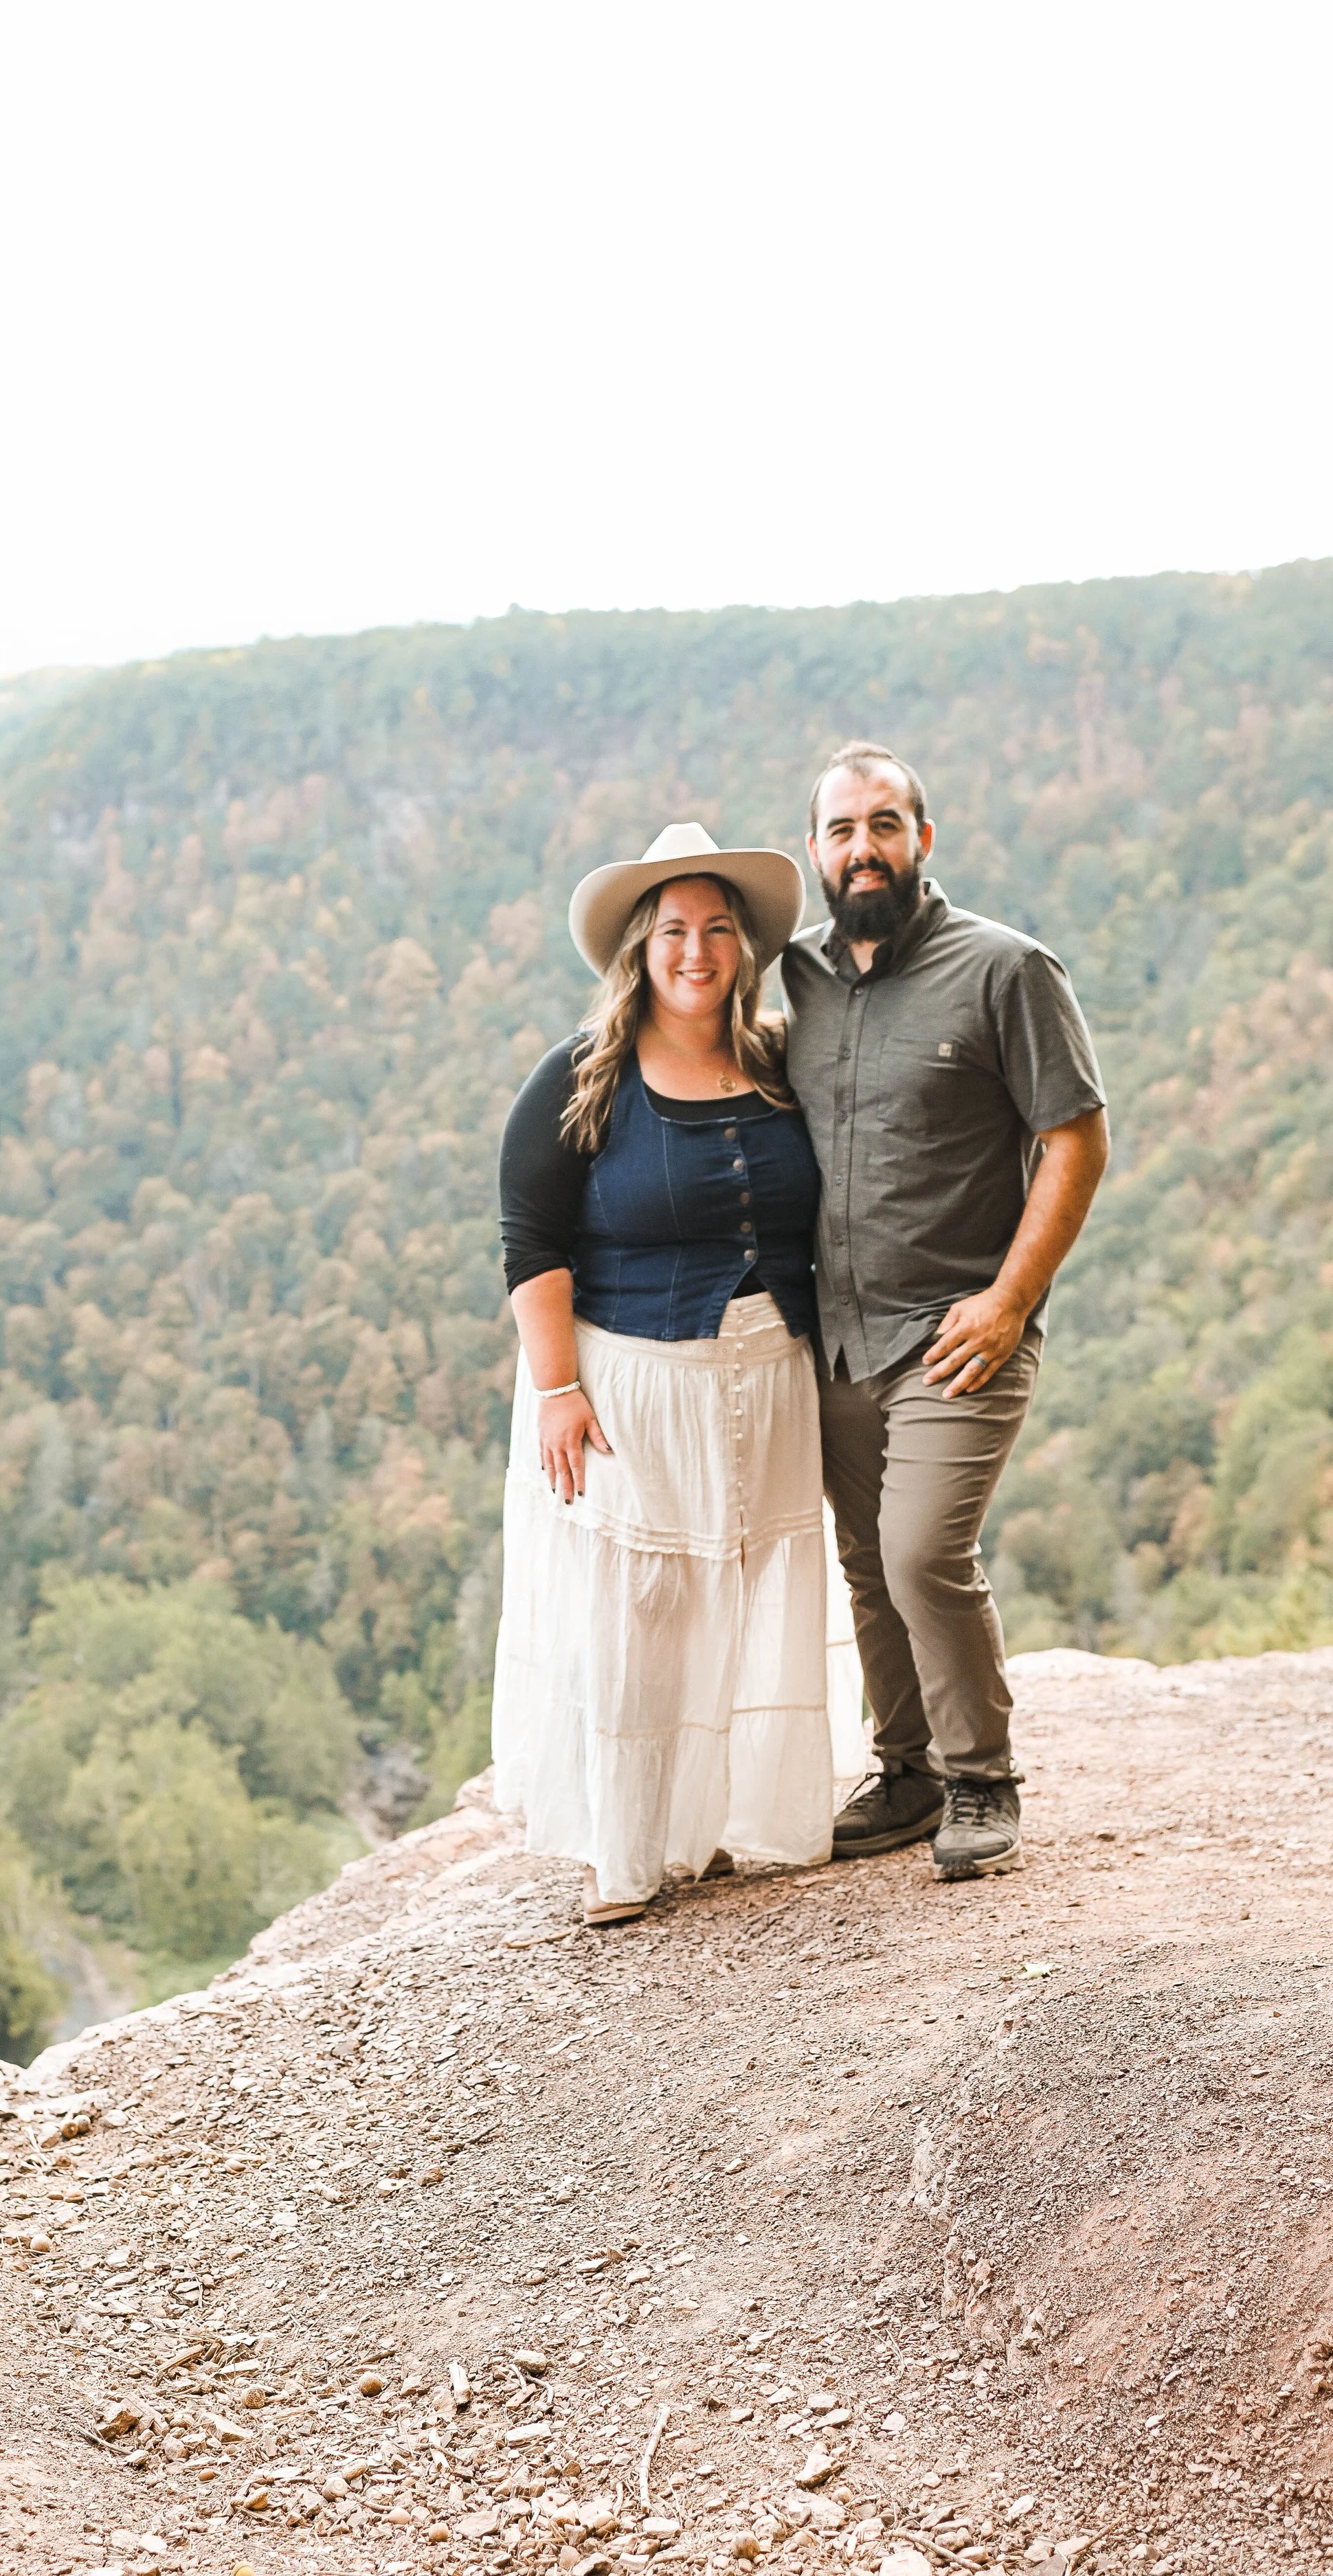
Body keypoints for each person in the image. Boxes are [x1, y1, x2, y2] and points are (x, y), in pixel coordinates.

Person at [491, 822, 841, 1925]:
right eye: (676, 930)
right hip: (634, 1380)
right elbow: (528, 1236)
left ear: (743, 947)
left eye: (719, 929)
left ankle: (732, 1823)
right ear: (641, 948)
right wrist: (557, 1387)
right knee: (643, 1608)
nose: (698, 950)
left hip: (770, 1371)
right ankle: (627, 1853)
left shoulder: (782, 1058)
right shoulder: (586, 1072)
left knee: (751, 1588)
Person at [781, 742, 1110, 1883]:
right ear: (815, 851)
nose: (862, 847)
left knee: (924, 1552)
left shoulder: (1008, 969)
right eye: (840, 829)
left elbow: (1076, 1135)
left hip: (962, 1330)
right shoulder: (801, 979)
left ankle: (982, 1776)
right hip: (837, 1337)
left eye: (885, 823)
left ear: (925, 838)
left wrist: (1013, 1300)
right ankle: (909, 1769)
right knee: (870, 1562)